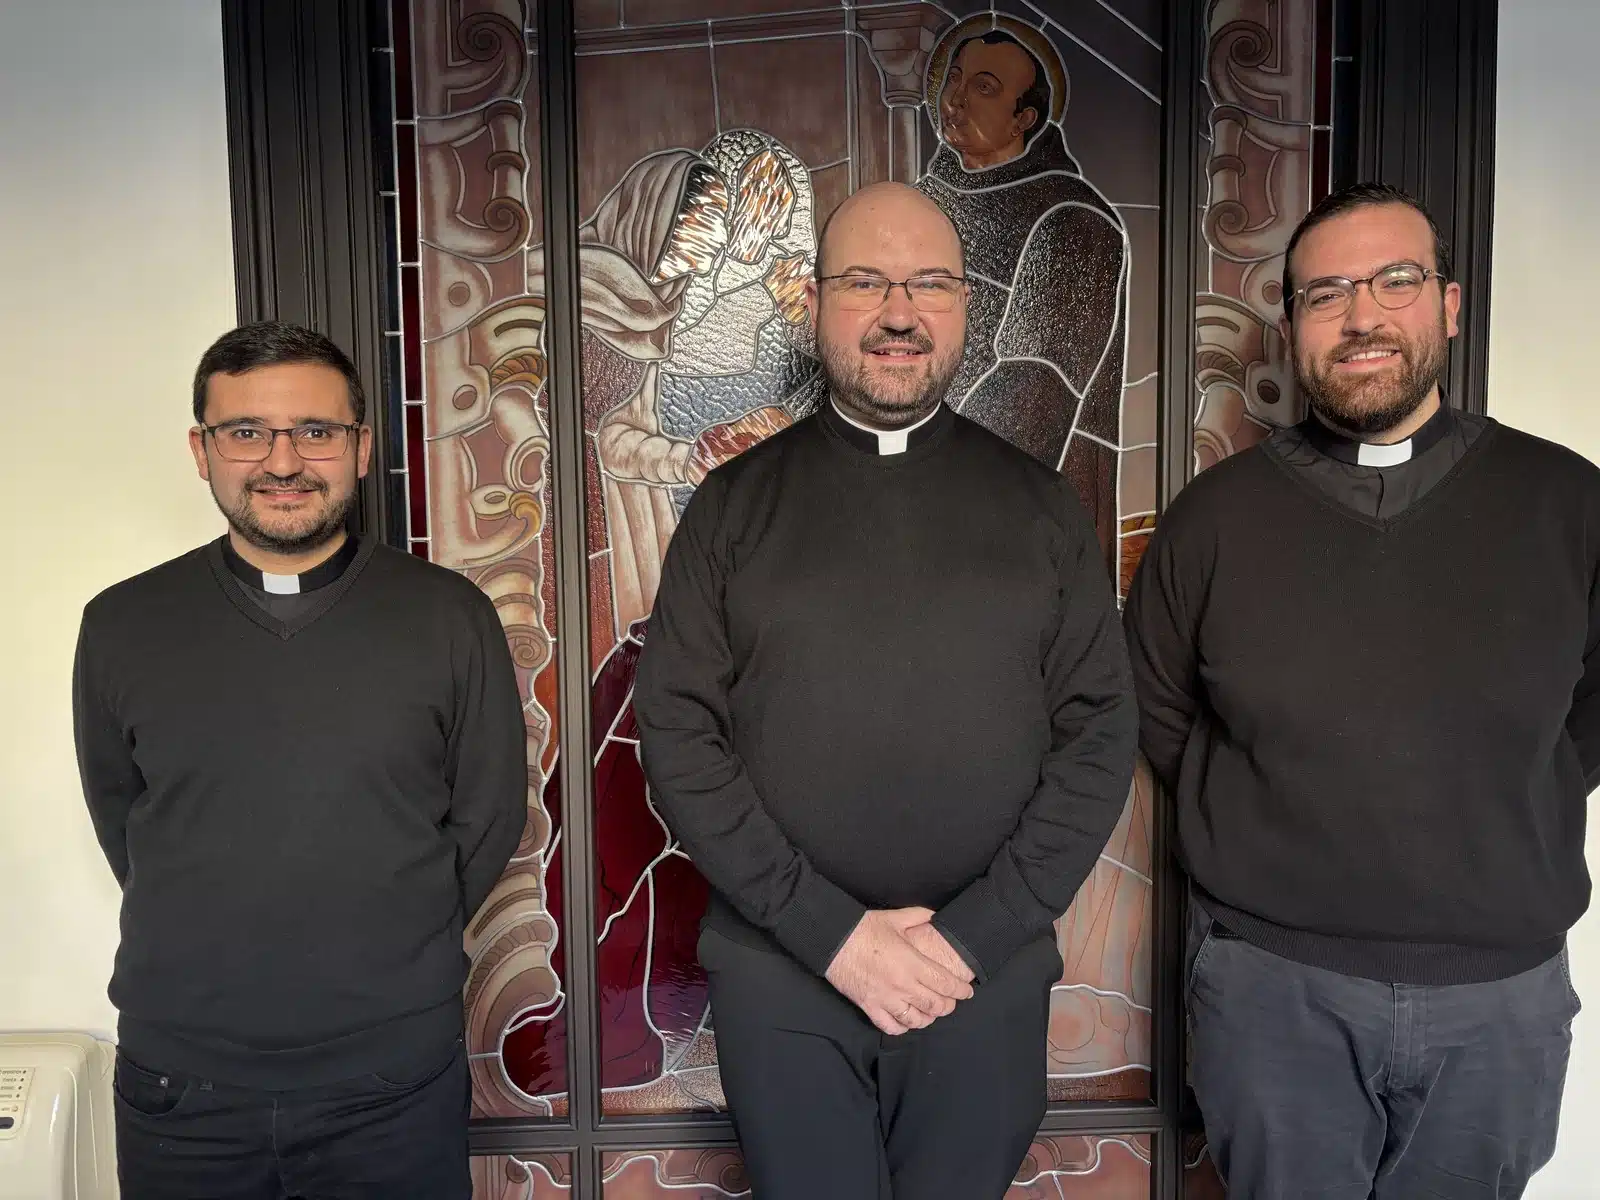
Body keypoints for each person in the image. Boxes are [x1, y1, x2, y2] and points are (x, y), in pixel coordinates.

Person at [634, 181, 1138, 1199]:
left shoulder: (1038, 508)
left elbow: (1099, 734)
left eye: (928, 284)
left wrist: (973, 935)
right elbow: (678, 734)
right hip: (782, 968)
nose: (898, 313)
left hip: (979, 974)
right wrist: (830, 934)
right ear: (815, 301)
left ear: (963, 306)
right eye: (865, 281)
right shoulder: (732, 507)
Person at [1125, 182, 1595, 1197]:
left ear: (1449, 303)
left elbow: (1589, 711)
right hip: (1272, 988)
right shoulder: (1214, 519)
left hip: (1499, 999)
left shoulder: (1566, 503)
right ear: (1292, 327)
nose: (1363, 316)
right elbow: (1158, 707)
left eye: (1395, 280)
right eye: (1327, 294)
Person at [72, 321, 528, 1199]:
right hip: (183, 1085)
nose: (283, 461)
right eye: (246, 432)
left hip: (394, 1080)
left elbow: (487, 815)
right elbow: (121, 817)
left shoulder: (447, 616)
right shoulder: (122, 624)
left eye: (315, 432)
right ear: (201, 451)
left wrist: (389, 943)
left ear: (359, 448)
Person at [918, 22, 1127, 561]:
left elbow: (1036, 388)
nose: (956, 99)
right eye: (954, 80)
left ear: (1024, 119)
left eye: (984, 88)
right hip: (911, 501)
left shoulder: (1072, 218)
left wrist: (919, 484)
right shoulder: (918, 206)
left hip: (1019, 516)